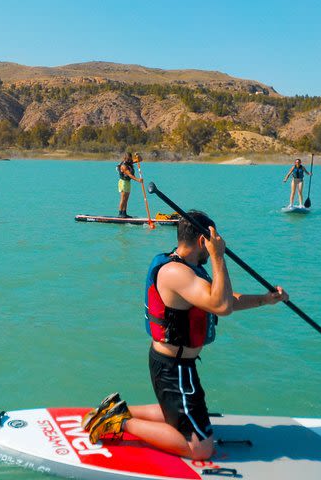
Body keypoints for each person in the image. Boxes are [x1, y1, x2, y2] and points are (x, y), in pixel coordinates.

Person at [83, 211, 288, 460]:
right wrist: (218, 257)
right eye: (215, 240)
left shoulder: (190, 269)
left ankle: (117, 410)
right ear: (204, 241)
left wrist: (264, 300)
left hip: (178, 366)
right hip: (174, 368)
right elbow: (221, 307)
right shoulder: (176, 273)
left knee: (177, 415)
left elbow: (223, 300)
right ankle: (119, 423)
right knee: (201, 448)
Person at [117, 152, 143, 218]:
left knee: (126, 199)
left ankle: (124, 213)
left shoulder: (129, 162)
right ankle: (120, 214)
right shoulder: (123, 166)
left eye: (130, 158)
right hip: (123, 183)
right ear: (125, 158)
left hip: (128, 182)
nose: (130, 160)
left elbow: (140, 159)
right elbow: (130, 175)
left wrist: (138, 155)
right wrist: (138, 180)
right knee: (123, 199)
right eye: (128, 159)